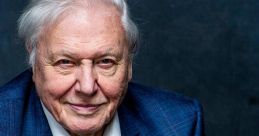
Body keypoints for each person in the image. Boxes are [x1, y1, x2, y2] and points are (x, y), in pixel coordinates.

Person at [0, 0, 204, 135]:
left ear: (129, 62)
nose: (87, 87)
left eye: (105, 62)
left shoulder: (180, 125)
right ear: (34, 61)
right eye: (65, 63)